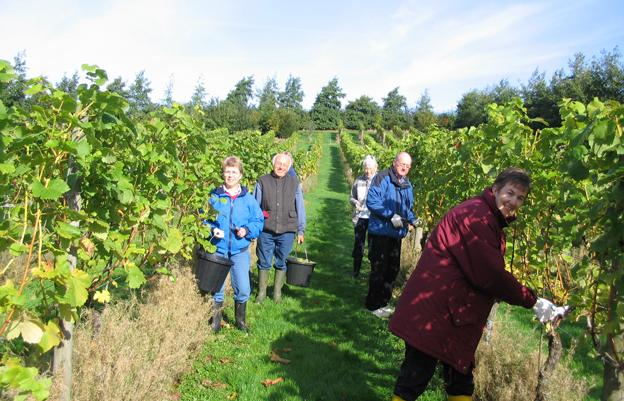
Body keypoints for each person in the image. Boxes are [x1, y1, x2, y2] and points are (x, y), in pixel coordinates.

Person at [388, 167, 568, 401]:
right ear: (495, 189)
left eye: (520, 198)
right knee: (415, 377)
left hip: (452, 312)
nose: (513, 201)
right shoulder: (478, 218)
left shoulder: (485, 215)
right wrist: (532, 301)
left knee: (460, 377)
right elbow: (490, 274)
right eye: (510, 193)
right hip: (436, 312)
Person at [204, 156, 264, 333]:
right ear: (223, 174)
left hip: (240, 250)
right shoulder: (214, 196)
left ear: (240, 175)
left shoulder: (248, 199)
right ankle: (215, 321)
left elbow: (258, 221)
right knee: (217, 287)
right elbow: (204, 219)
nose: (230, 175)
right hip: (218, 248)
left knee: (243, 287)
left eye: (234, 172)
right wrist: (212, 230)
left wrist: (246, 230)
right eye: (227, 172)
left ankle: (240, 321)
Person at [365, 151, 418, 317]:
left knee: (392, 270)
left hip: (396, 234)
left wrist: (413, 219)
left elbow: (407, 208)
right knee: (379, 269)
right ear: (395, 162)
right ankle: (373, 306)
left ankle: (383, 303)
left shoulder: (407, 184)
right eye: (402, 164)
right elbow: (372, 201)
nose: (404, 168)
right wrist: (391, 215)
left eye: (408, 166)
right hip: (380, 231)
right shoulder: (381, 178)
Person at [254, 152, 306, 303]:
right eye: (279, 163)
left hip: (287, 228)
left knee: (281, 261)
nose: (281, 166)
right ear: (273, 164)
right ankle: (261, 293)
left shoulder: (294, 182)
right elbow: (255, 207)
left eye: (284, 164)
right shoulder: (262, 181)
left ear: (288, 167)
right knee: (264, 260)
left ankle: (277, 293)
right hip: (266, 228)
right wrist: (254, 227)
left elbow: (300, 207)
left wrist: (301, 230)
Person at [349, 154, 378, 278]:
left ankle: (373, 272)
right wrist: (356, 203)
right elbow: (351, 197)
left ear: (376, 168)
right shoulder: (358, 180)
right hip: (360, 217)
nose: (368, 171)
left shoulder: (379, 181)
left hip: (374, 218)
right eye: (366, 168)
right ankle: (356, 271)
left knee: (373, 245)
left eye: (370, 168)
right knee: (358, 244)